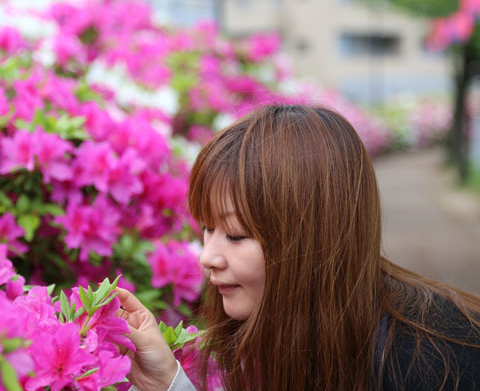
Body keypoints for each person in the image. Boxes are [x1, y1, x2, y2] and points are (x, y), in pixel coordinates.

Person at [114, 104, 480, 391]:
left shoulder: (433, 363)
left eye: (237, 235)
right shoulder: (273, 331)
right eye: (207, 229)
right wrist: (166, 382)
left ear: (312, 236)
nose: (207, 257)